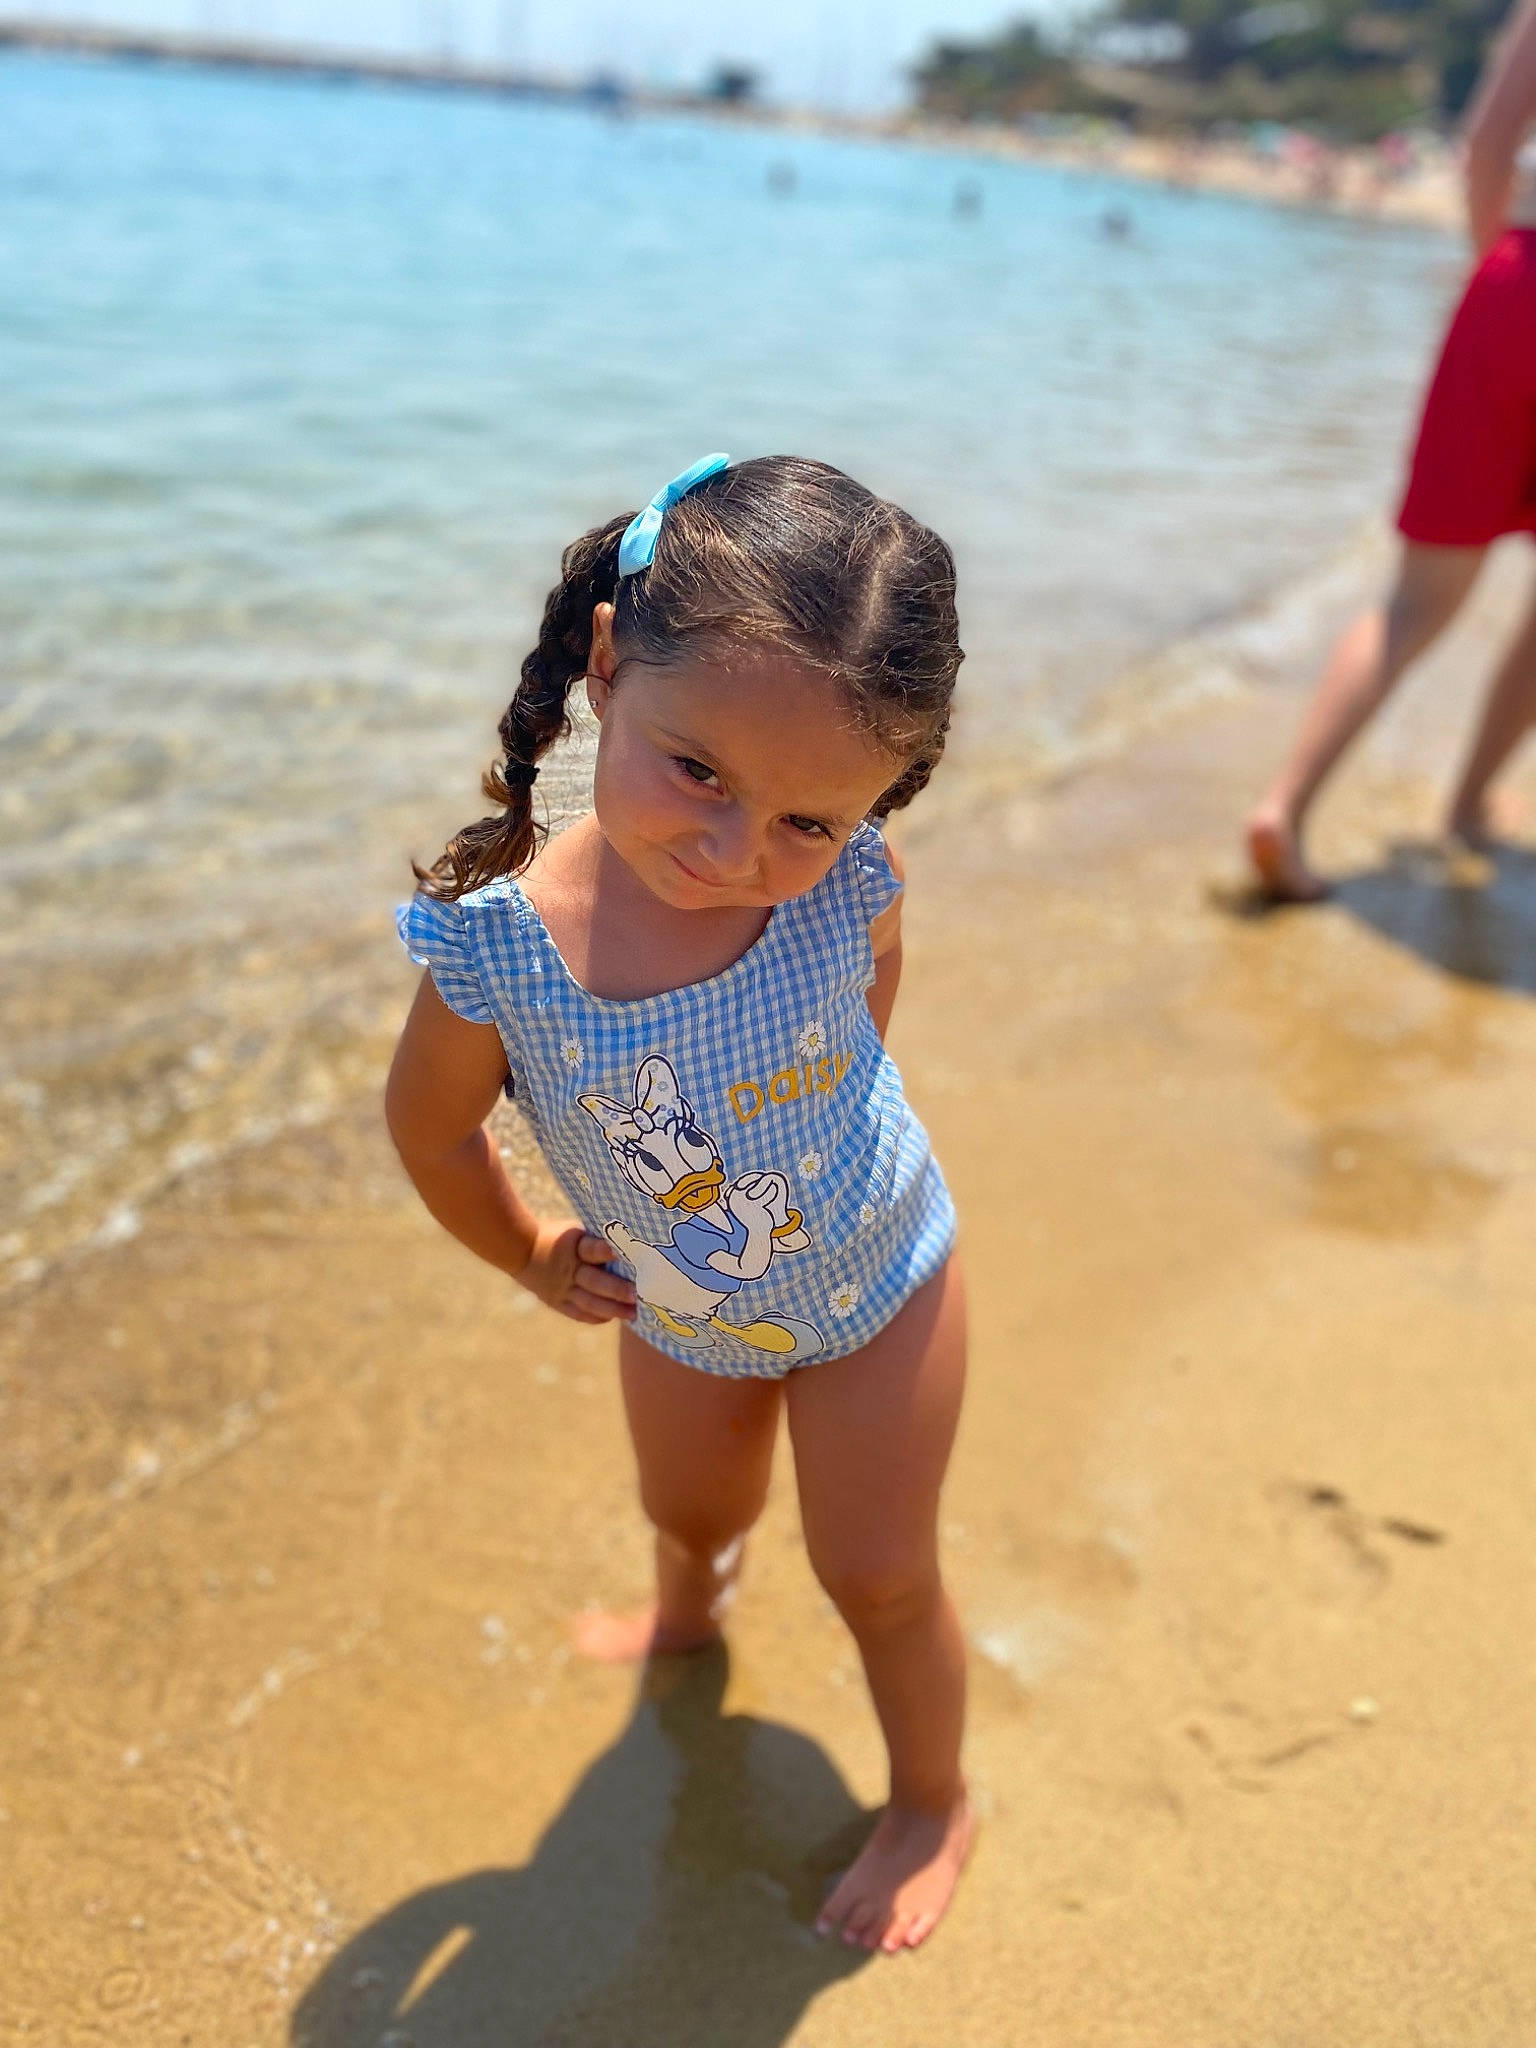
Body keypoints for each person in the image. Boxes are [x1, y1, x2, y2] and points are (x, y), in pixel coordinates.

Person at [385, 454, 971, 1954]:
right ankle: (685, 1624)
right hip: (681, 1306)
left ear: (876, 799)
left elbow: (870, 974)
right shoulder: (506, 951)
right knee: (688, 1510)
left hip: (880, 1274)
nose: (735, 852)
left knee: (880, 1572)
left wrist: (839, 1087)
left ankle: (931, 1801)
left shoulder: (847, 881)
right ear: (605, 669)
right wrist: (526, 1254)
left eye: (806, 820)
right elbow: (433, 1131)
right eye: (697, 772)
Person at [1246, 0, 1536, 900]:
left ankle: (1286, 809)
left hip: (1516, 291)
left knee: (1413, 606)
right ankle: (1471, 802)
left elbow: (1488, 144)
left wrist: (1503, 279)